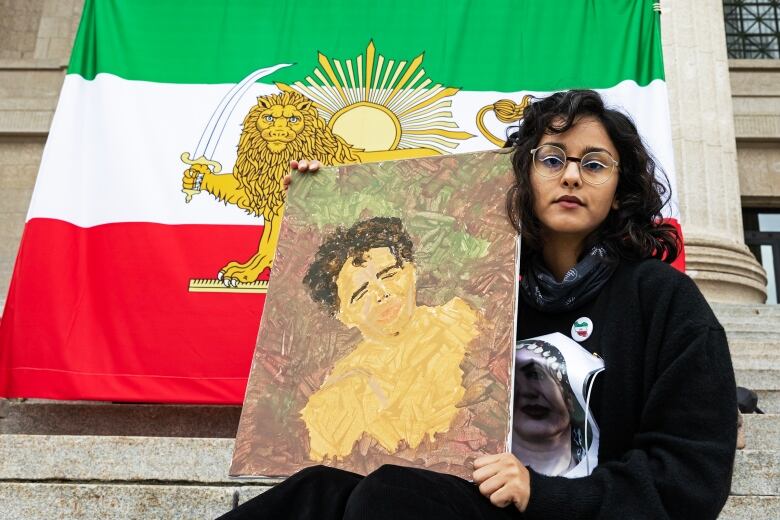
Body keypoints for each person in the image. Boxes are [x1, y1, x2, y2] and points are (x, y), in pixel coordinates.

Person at [217, 89, 737, 519]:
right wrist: (320, 200)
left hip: (569, 512)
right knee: (313, 494)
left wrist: (543, 493)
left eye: (594, 164)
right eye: (552, 159)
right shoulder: (483, 295)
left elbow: (690, 482)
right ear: (521, 177)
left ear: (620, 187)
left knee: (389, 500)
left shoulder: (664, 299)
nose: (572, 176)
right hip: (468, 500)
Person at [299, 216, 479, 461]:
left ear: (411, 270)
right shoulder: (340, 398)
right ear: (343, 315)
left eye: (389, 274)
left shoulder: (464, 321)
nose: (382, 294)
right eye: (361, 292)